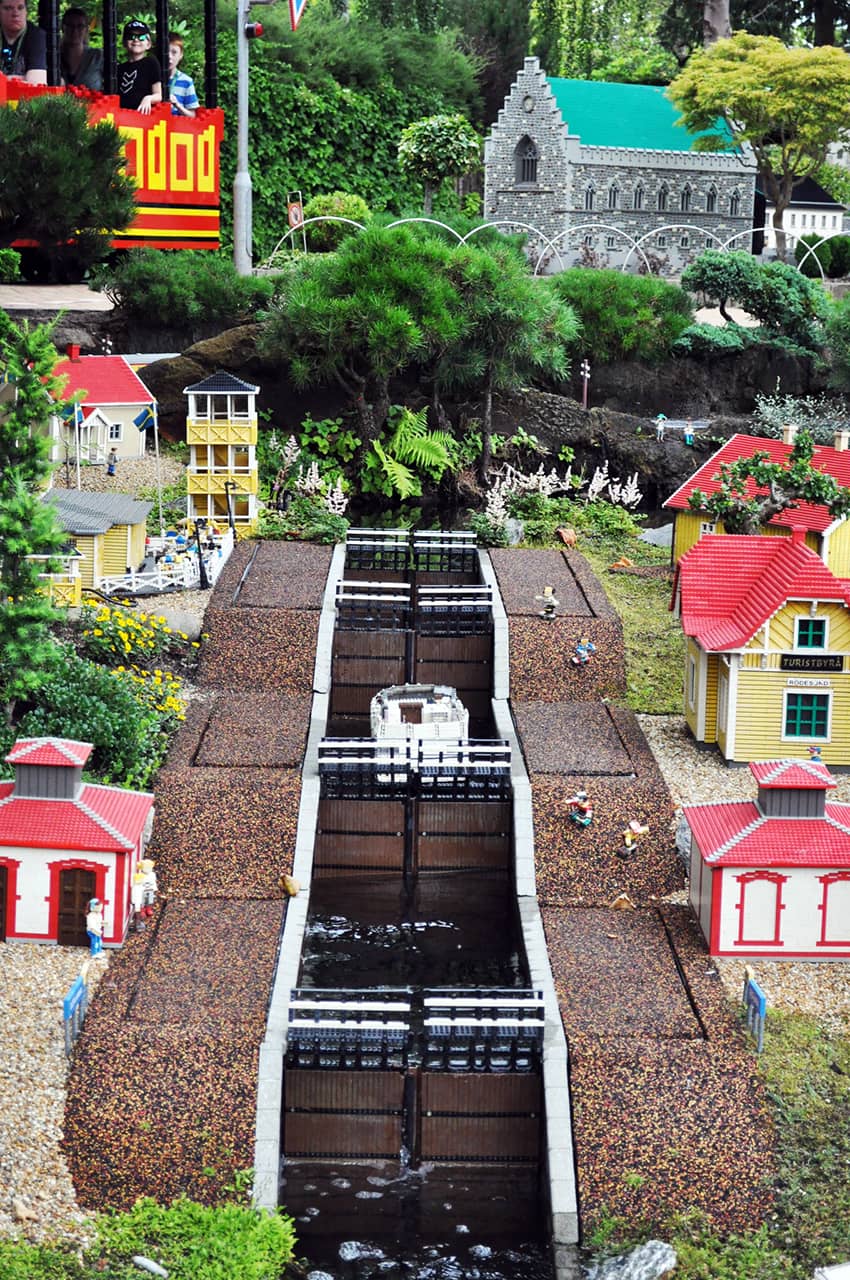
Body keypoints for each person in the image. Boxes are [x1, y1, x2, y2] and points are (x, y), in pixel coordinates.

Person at [117, 18, 161, 114]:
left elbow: (159, 95)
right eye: (131, 36)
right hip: (120, 115)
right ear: (124, 42)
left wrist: (148, 98)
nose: (136, 40)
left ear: (148, 44)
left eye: (141, 37)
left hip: (142, 118)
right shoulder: (119, 69)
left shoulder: (151, 63)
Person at [1, 0, 46, 84]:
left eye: (20, 8)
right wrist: (24, 78)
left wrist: (3, 80)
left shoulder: (36, 35)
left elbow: (37, 82)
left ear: (26, 12)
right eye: (8, 8)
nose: (15, 14)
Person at [60, 7, 102, 91]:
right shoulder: (53, 57)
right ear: (63, 28)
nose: (75, 31)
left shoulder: (98, 57)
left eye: (80, 26)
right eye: (70, 26)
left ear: (86, 29)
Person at [166, 35, 198, 117]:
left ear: (181, 55)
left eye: (174, 52)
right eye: (166, 51)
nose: (169, 56)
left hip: (176, 128)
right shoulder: (152, 78)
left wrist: (177, 105)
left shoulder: (186, 81)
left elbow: (192, 115)